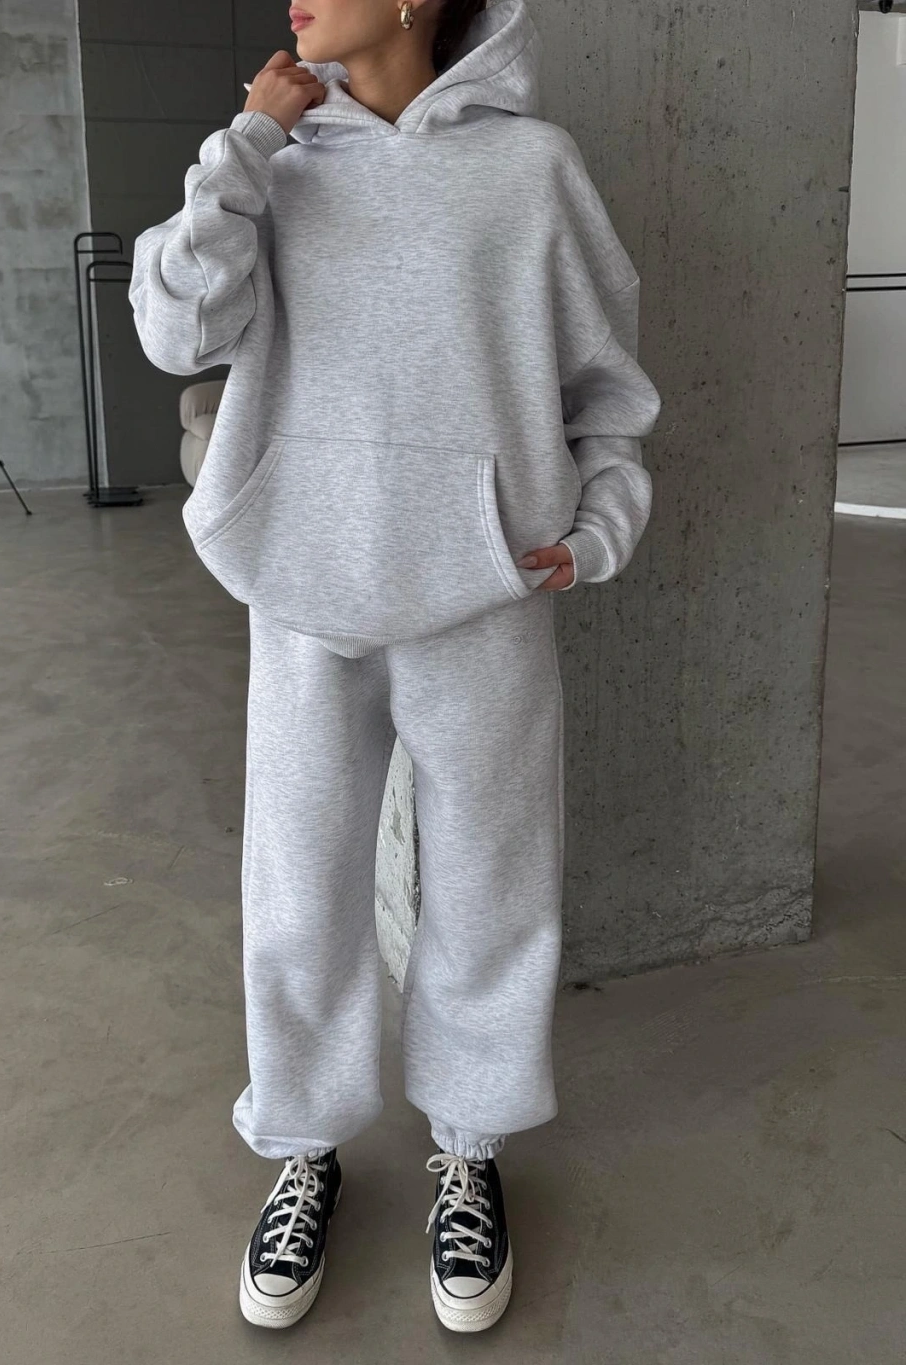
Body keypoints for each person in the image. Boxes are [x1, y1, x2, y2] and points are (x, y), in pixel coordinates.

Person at [129, 0, 661, 1335]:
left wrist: (594, 534)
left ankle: (469, 1151)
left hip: (481, 590)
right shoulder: (272, 164)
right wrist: (245, 144)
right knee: (297, 886)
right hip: (304, 587)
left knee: (492, 883)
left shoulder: (531, 170)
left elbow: (606, 389)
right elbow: (176, 331)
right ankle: (304, 1148)